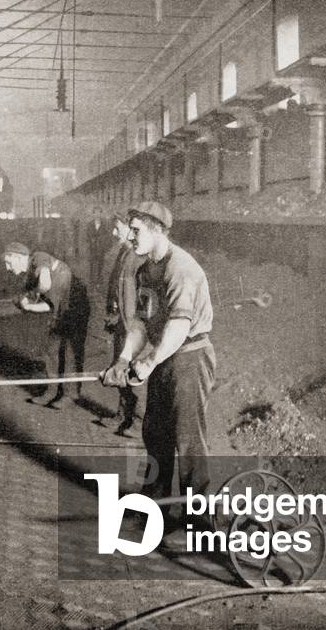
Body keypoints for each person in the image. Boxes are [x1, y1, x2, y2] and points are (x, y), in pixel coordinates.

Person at [99, 201, 215, 501]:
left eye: (136, 231)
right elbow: (140, 324)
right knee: (154, 432)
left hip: (190, 357)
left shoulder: (180, 268)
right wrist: (123, 360)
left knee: (188, 442)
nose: (130, 236)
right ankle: (156, 503)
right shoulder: (145, 271)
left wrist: (149, 361)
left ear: (157, 230)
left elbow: (179, 325)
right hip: (165, 356)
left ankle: (197, 519)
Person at [3, 242, 90, 408]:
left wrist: (31, 299)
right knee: (51, 351)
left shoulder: (38, 258)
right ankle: (51, 391)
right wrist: (26, 303)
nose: (7, 268)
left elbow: (45, 285)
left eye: (8, 262)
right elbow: (48, 305)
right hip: (60, 309)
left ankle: (70, 394)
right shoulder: (30, 275)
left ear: (18, 257)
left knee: (69, 352)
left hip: (75, 307)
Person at [104, 212, 144, 436]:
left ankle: (138, 422)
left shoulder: (140, 257)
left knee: (136, 371)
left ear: (131, 229)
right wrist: (112, 312)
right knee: (120, 366)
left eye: (117, 227)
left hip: (135, 325)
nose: (113, 232)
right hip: (121, 320)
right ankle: (122, 416)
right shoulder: (124, 253)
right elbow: (116, 287)